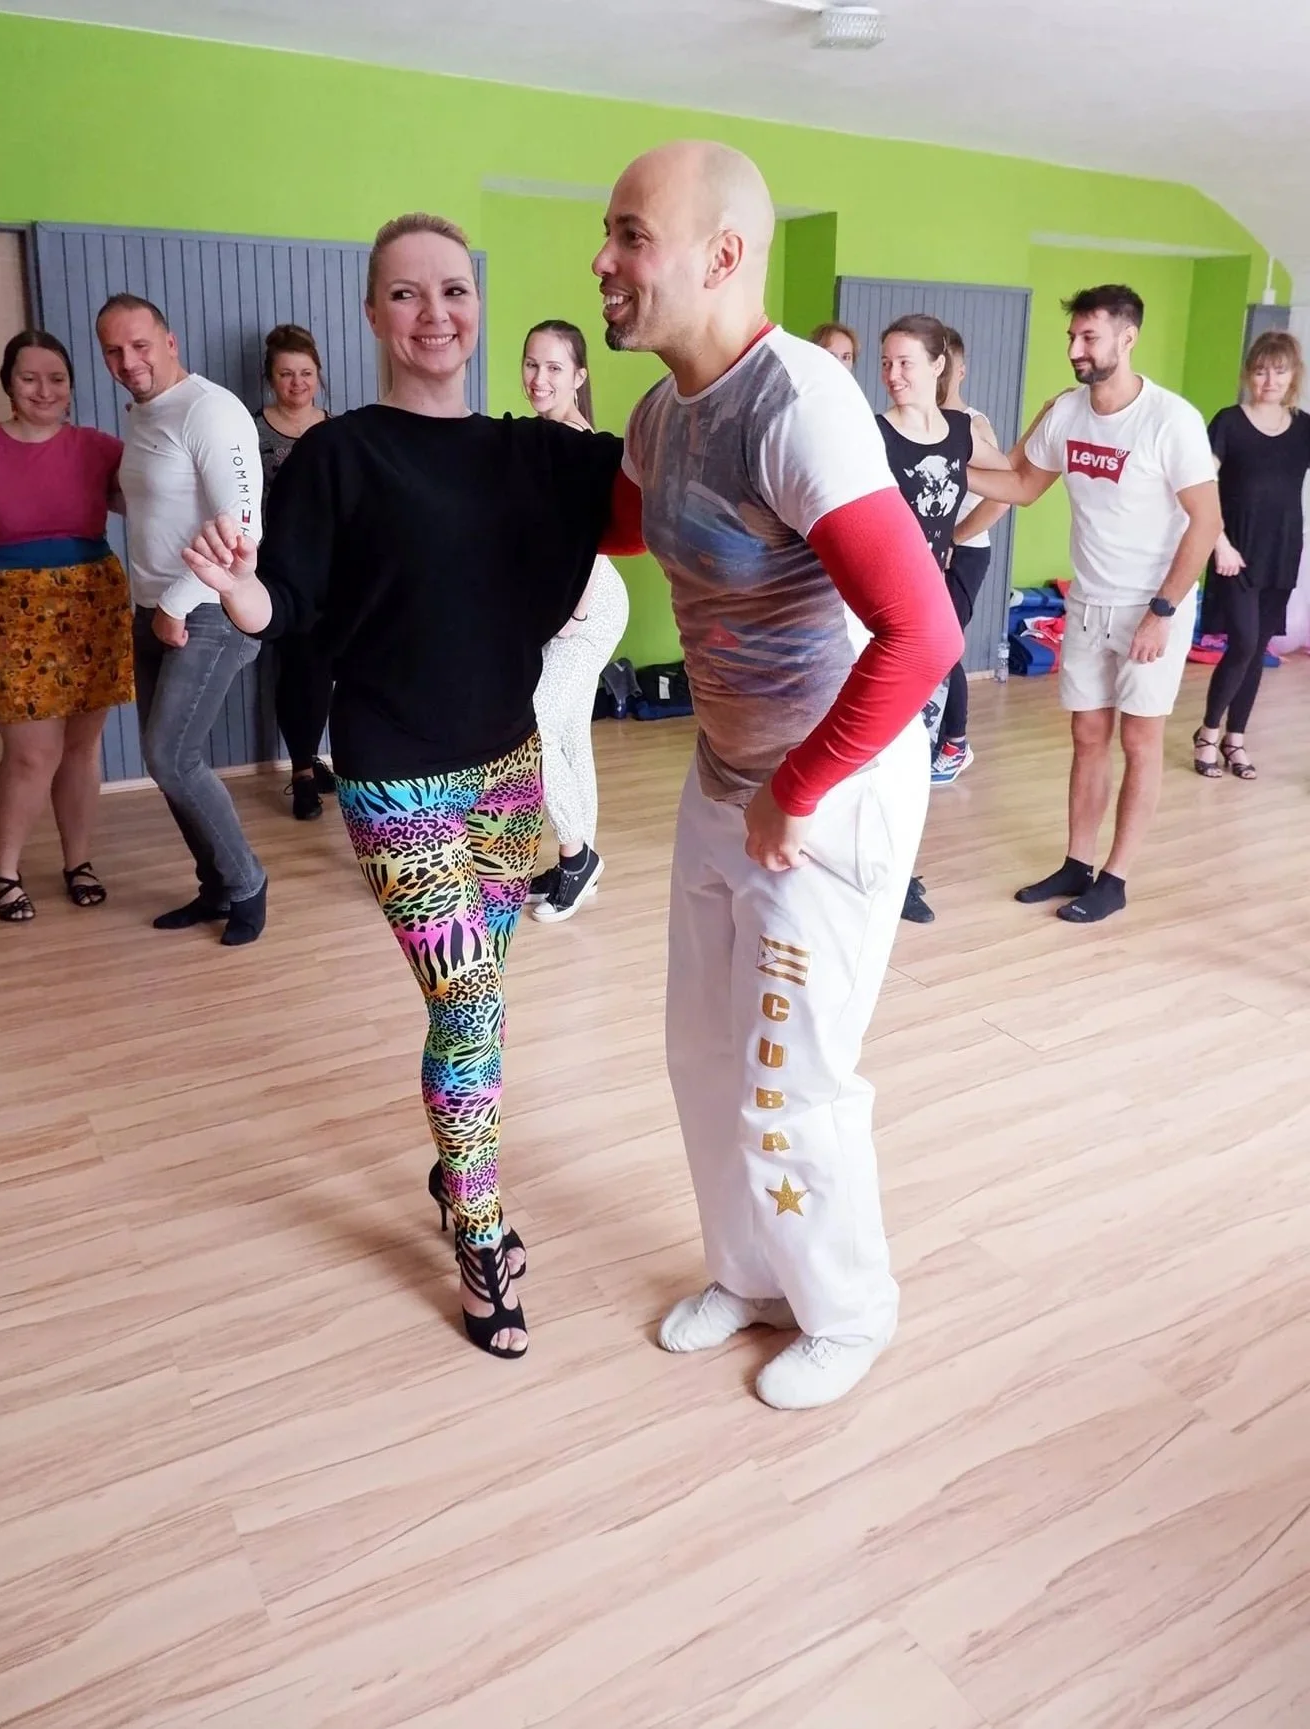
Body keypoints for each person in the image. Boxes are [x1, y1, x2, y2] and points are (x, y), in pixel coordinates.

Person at [180, 213, 642, 1361]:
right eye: (405, 294)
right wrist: (243, 602)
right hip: (395, 779)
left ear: (476, 305)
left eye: (453, 290)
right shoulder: (339, 454)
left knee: (484, 996)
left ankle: (455, 1165)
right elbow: (286, 600)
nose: (434, 313)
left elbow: (669, 456)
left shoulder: (532, 450)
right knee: (467, 1005)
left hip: (506, 773)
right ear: (373, 312)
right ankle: (478, 1229)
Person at [595, 142, 962, 1409]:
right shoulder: (661, 412)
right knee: (701, 1055)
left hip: (826, 790)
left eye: (630, 235)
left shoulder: (798, 402)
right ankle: (750, 1275)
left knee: (788, 1078)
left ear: (721, 256)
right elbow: (614, 524)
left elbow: (926, 636)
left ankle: (849, 1310)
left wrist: (797, 789)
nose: (603, 260)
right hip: (726, 772)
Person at [968, 284, 1221, 923]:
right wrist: (936, 461)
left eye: (1089, 338)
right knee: (1087, 735)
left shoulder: (1171, 419)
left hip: (1151, 608)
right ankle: (1077, 863)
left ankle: (1115, 877)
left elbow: (1206, 522)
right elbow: (1023, 486)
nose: (1076, 349)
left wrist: (1163, 612)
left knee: (1140, 741)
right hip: (1088, 602)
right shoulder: (1067, 414)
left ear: (1127, 338)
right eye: (1073, 337)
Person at [96, 293, 269, 946]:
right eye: (113, 350)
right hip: (154, 610)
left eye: (140, 345)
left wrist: (173, 603)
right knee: (165, 759)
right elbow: (144, 501)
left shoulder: (210, 410)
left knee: (171, 756)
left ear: (169, 341)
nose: (128, 361)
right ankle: (216, 884)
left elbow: (243, 526)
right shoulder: (143, 415)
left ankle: (248, 882)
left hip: (207, 612)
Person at [0, 329, 132, 922]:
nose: (43, 390)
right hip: (7, 609)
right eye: (29, 378)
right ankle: (4, 869)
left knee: (81, 747)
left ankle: (78, 861)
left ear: (71, 387)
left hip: (91, 600)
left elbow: (158, 500)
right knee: (31, 754)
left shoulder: (99, 448)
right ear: (9, 384)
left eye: (56, 378)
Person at [877, 313, 1007, 925]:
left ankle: (897, 872)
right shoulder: (872, 433)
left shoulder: (960, 433)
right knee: (869, 751)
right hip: (874, 613)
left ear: (938, 367)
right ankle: (863, 868)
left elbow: (1015, 485)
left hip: (928, 612)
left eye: (906, 362)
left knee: (914, 755)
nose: (893, 374)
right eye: (886, 362)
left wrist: (1058, 430)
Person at [521, 319, 630, 922]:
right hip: (561, 603)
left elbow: (596, 540)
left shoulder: (581, 443)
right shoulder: (538, 437)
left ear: (579, 377)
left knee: (533, 724)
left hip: (587, 606)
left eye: (554, 368)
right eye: (532, 365)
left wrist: (574, 611)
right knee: (567, 733)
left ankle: (573, 853)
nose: (539, 379)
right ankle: (579, 861)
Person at [1193, 330, 1310, 781]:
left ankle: (1234, 738)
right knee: (1241, 642)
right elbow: (1202, 487)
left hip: (1281, 551)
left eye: (1279, 371)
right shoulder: (1228, 422)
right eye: (1261, 370)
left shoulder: (1303, 428)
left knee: (1257, 648)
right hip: (1233, 550)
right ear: (1250, 373)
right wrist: (1218, 542)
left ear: (1293, 376)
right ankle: (1207, 732)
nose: (1269, 380)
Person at [255, 324, 337, 820]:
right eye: (286, 373)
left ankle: (325, 760)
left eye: (305, 373)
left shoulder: (339, 429)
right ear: (270, 377)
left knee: (335, 670)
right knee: (300, 670)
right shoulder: (250, 428)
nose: (297, 382)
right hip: (280, 573)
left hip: (337, 569)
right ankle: (302, 773)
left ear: (318, 376)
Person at [938, 326, 1010, 783]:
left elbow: (1002, 497)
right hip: (921, 553)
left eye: (947, 364)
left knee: (944, 648)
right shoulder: (911, 423)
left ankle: (956, 744)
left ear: (959, 370)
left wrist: (954, 538)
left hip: (964, 554)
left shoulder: (975, 426)